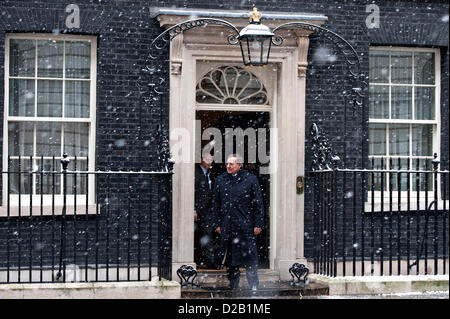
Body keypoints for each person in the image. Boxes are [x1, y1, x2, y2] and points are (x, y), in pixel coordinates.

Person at [211, 154, 264, 291]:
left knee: (250, 257)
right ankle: (233, 284)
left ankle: (253, 285)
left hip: (245, 225)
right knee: (231, 258)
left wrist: (258, 224)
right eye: (227, 164)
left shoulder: (250, 179)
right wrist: (217, 223)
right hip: (228, 225)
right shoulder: (221, 180)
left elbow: (258, 204)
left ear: (239, 165)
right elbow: (216, 204)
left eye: (231, 164)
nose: (228, 166)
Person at [194, 153, 216, 269]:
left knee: (207, 234)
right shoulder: (195, 173)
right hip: (197, 210)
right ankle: (206, 260)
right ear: (201, 160)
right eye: (207, 159)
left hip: (207, 210)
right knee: (200, 235)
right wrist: (193, 209)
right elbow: (192, 191)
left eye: (211, 160)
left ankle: (209, 261)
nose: (209, 162)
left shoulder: (210, 174)